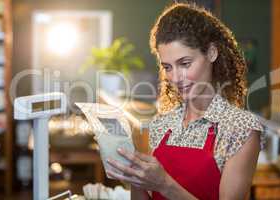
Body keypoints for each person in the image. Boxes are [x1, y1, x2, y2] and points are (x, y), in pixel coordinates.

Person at [106, 3, 265, 200]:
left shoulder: (241, 129)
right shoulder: (161, 124)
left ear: (212, 53)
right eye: (167, 67)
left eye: (185, 64)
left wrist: (164, 184)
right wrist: (134, 176)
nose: (175, 77)